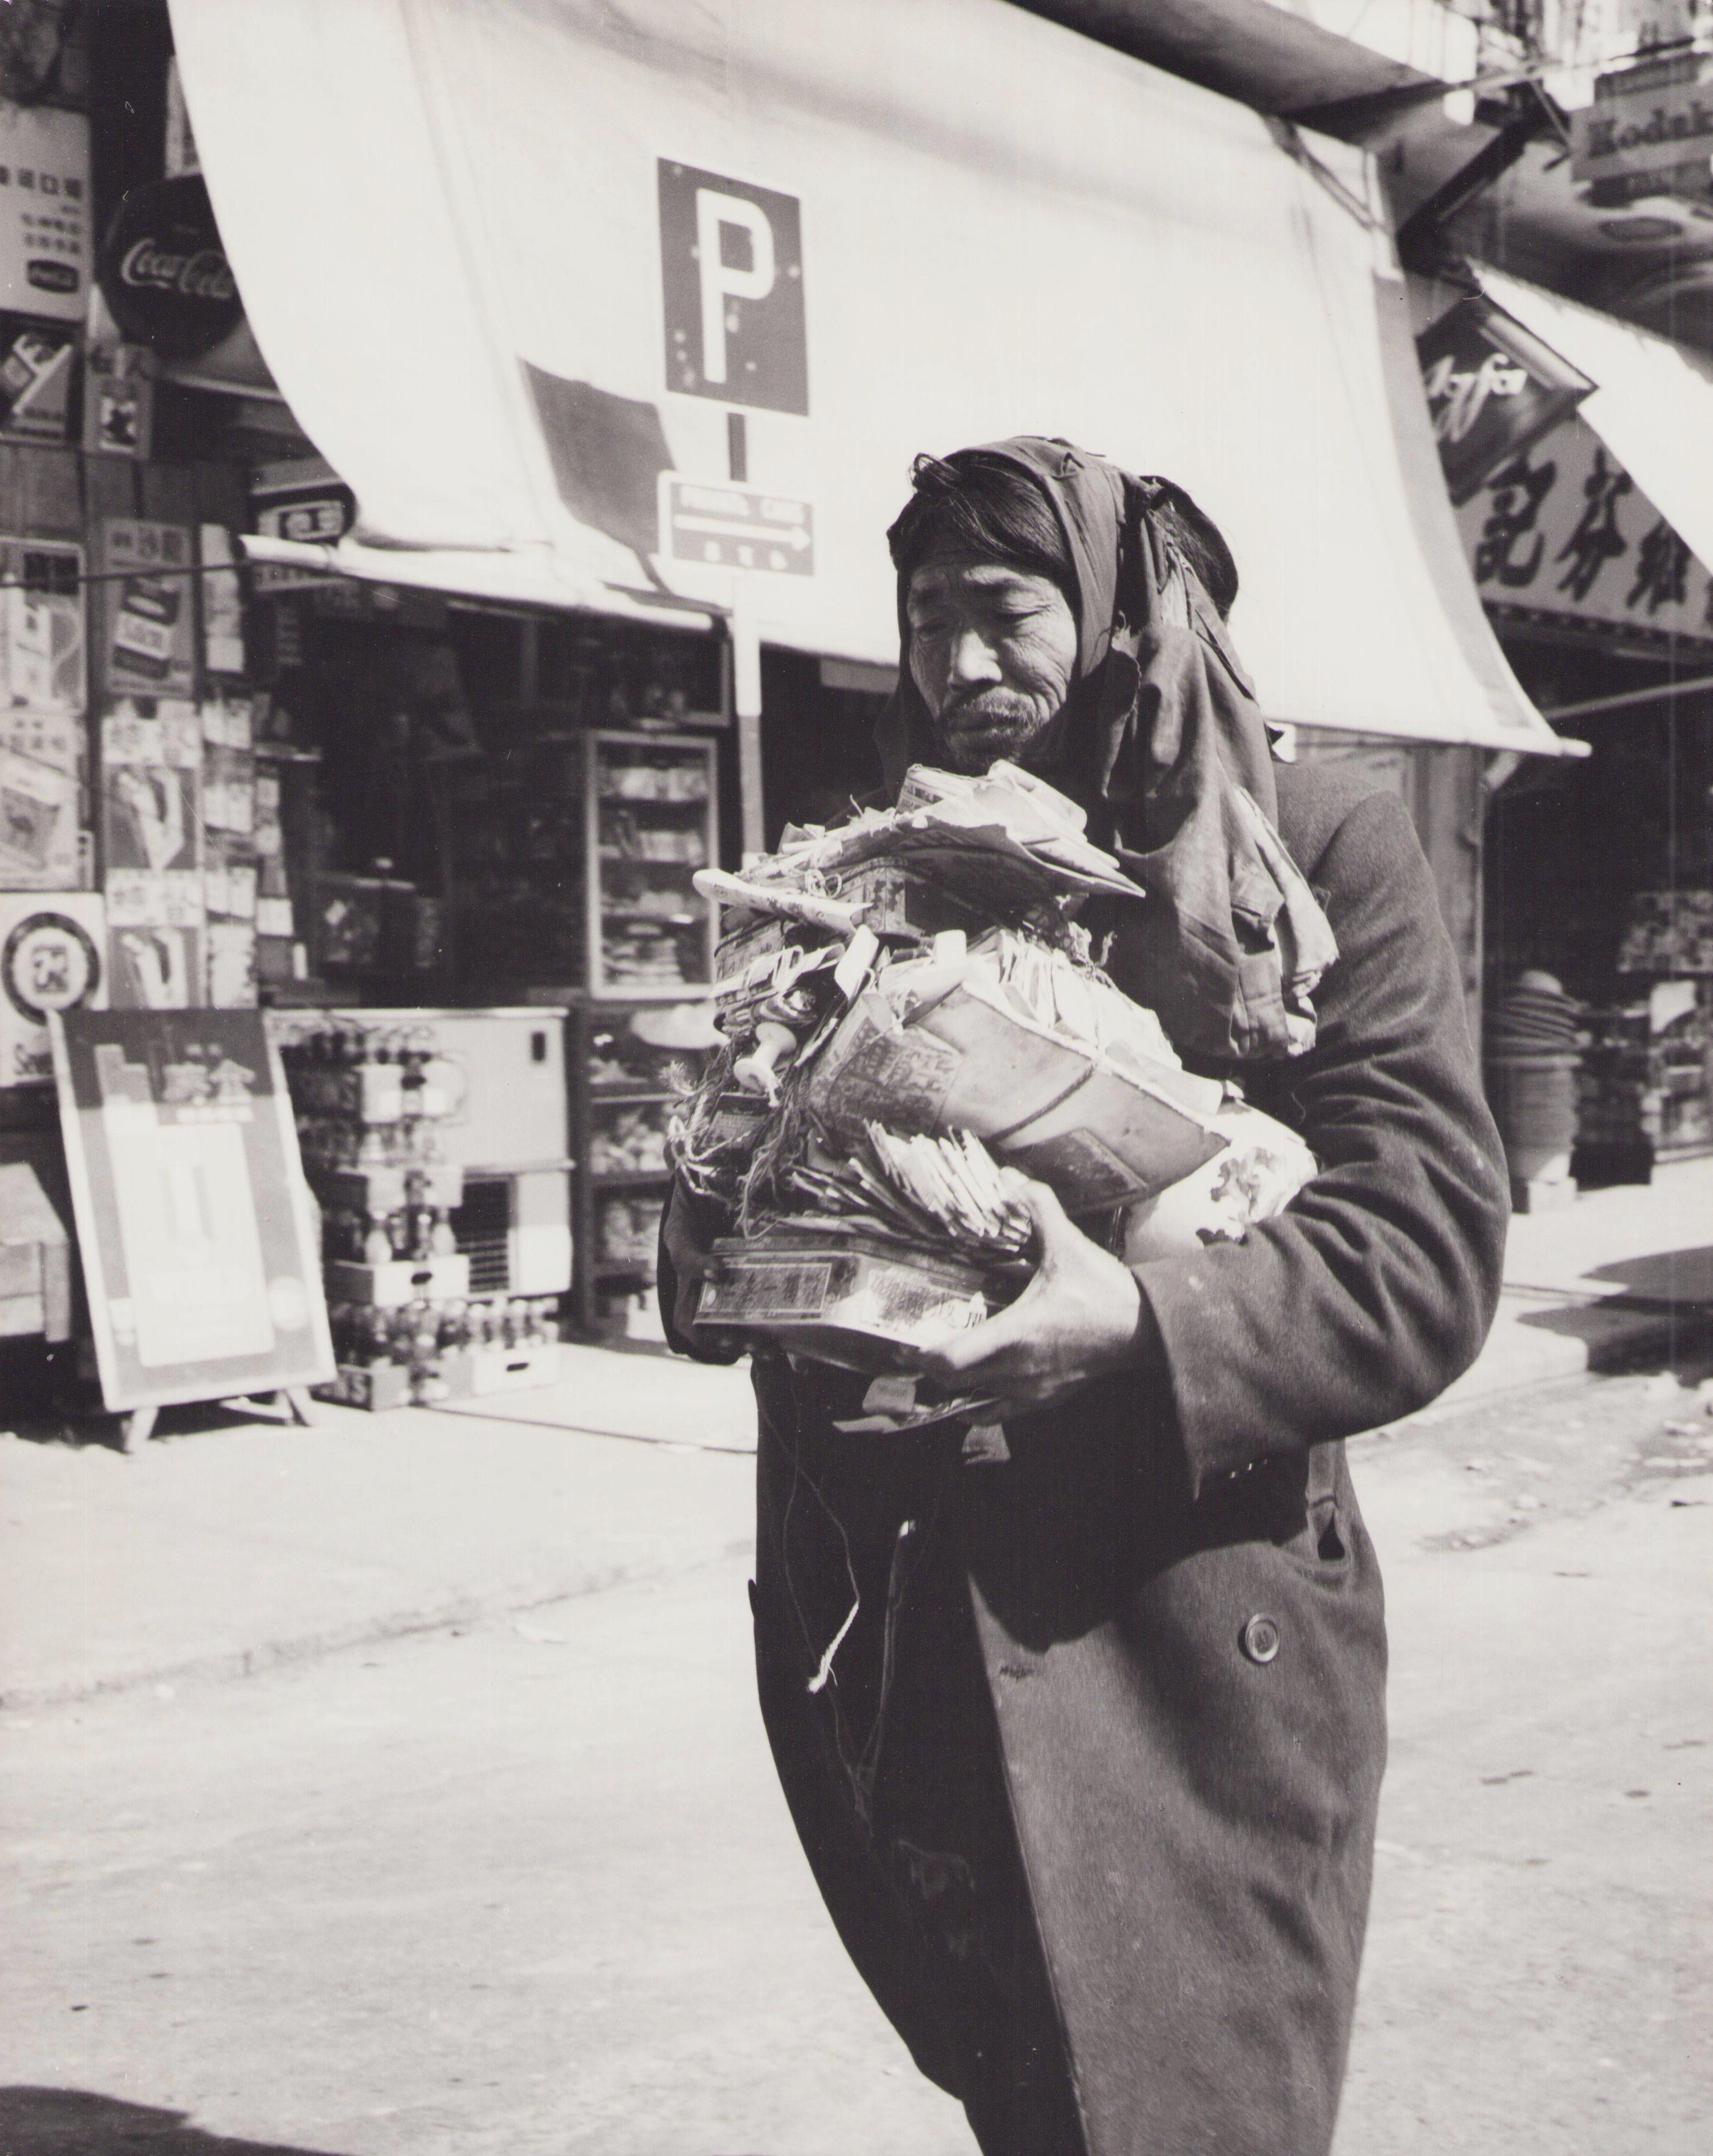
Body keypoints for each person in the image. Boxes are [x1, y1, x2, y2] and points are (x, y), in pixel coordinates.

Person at [659, 437, 1508, 2156]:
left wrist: (1138, 1327)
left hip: (1184, 1639)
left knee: (1196, 2113)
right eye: (921, 620)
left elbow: (1424, 1251)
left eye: (1003, 610)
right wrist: (728, 1227)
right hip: (919, 1631)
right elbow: (782, 1183)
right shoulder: (884, 865)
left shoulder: (1308, 844)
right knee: (1029, 2106)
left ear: (1114, 615)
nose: (958, 666)